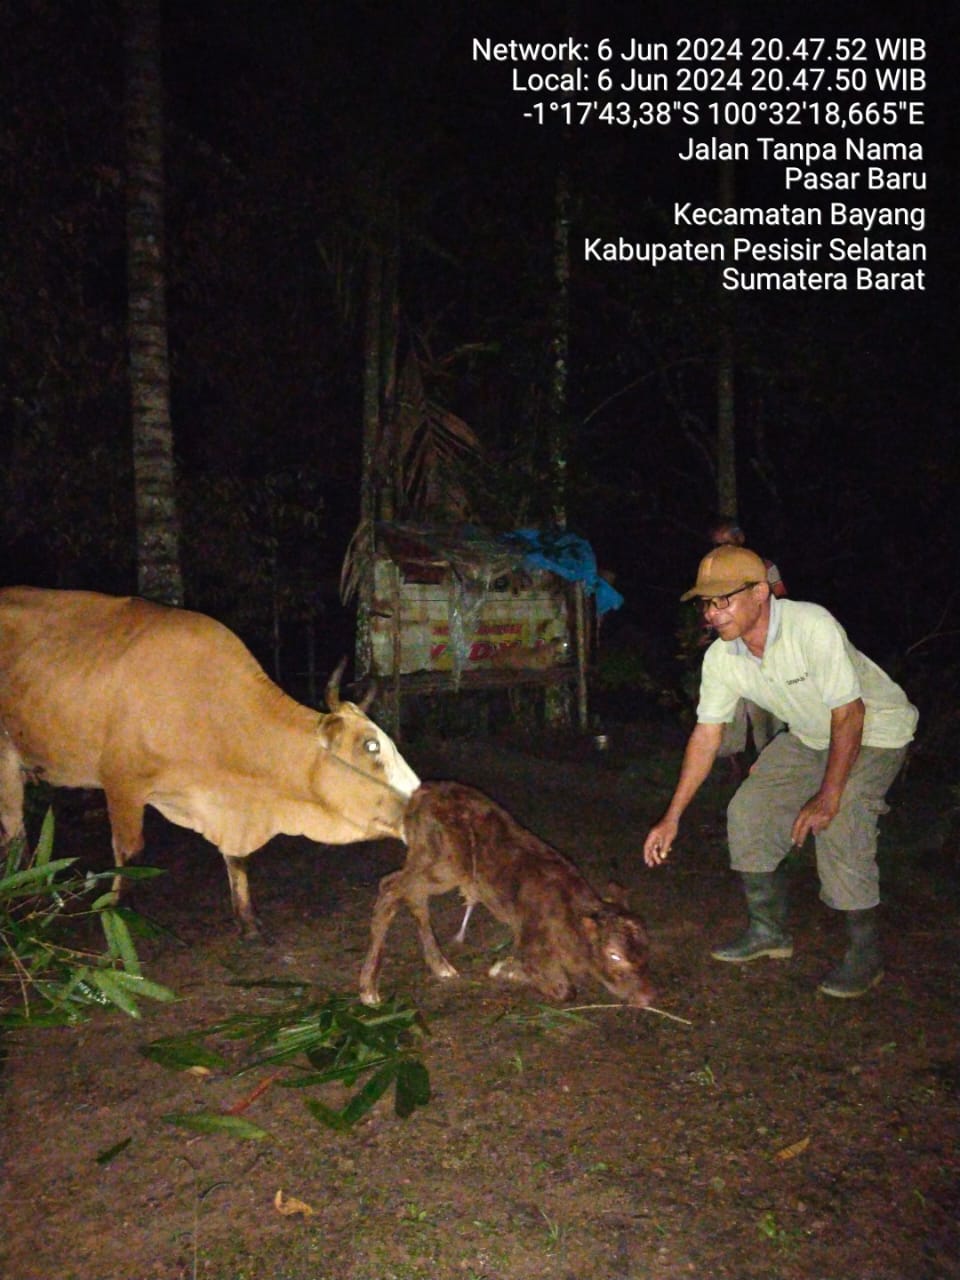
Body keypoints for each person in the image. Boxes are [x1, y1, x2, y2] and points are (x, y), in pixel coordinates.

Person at [644, 544, 918, 999]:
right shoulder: (722, 658)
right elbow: (707, 735)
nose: (712, 613)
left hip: (876, 731)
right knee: (749, 809)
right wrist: (671, 817)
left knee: (842, 817)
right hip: (812, 735)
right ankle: (768, 931)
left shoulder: (811, 626)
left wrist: (827, 796)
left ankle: (865, 953)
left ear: (760, 592)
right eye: (707, 603)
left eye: (723, 599)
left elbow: (850, 715)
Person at [706, 518, 786, 757]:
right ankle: (734, 761)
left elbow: (781, 599)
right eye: (717, 544)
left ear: (740, 540)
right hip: (733, 646)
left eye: (727, 542)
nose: (723, 548)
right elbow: (710, 606)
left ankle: (772, 758)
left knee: (767, 710)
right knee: (732, 708)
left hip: (764, 645)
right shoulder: (712, 570)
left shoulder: (763, 566)